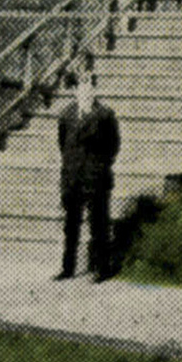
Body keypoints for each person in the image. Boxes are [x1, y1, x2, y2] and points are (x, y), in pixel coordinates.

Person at [54, 63, 123, 281]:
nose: (85, 91)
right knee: (71, 225)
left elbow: (114, 145)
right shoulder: (66, 115)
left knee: (99, 225)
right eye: (81, 87)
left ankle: (102, 268)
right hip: (73, 178)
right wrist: (70, 169)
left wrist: (100, 165)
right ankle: (68, 268)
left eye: (89, 87)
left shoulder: (105, 115)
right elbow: (62, 144)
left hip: (96, 178)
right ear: (75, 91)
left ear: (95, 90)